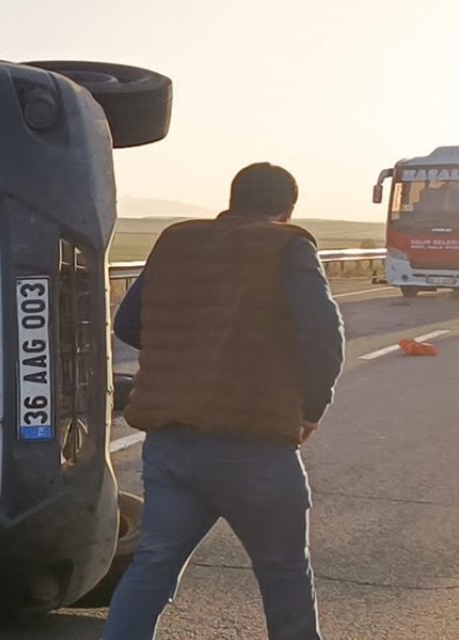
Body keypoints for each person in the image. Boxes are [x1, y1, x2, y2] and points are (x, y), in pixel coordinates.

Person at [103, 163, 345, 640]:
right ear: (286, 209)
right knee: (284, 577)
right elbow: (324, 337)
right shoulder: (286, 245)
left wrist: (189, 351)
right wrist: (310, 411)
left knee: (152, 568)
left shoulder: (176, 240)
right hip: (254, 445)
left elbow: (128, 324)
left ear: (232, 199)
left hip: (171, 445)